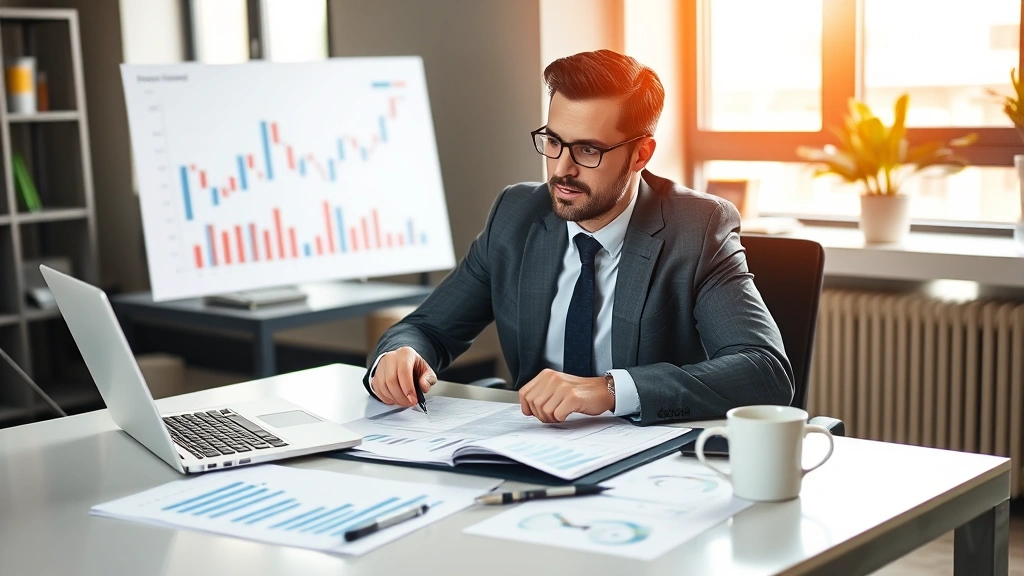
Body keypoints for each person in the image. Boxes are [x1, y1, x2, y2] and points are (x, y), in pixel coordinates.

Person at [364, 49, 793, 425]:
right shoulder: (515, 215)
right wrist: (399, 356)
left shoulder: (697, 228)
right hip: (529, 452)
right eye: (553, 141)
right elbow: (428, 328)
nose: (561, 169)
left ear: (640, 154)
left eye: (588, 150)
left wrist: (608, 390)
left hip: (648, 467)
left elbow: (764, 371)